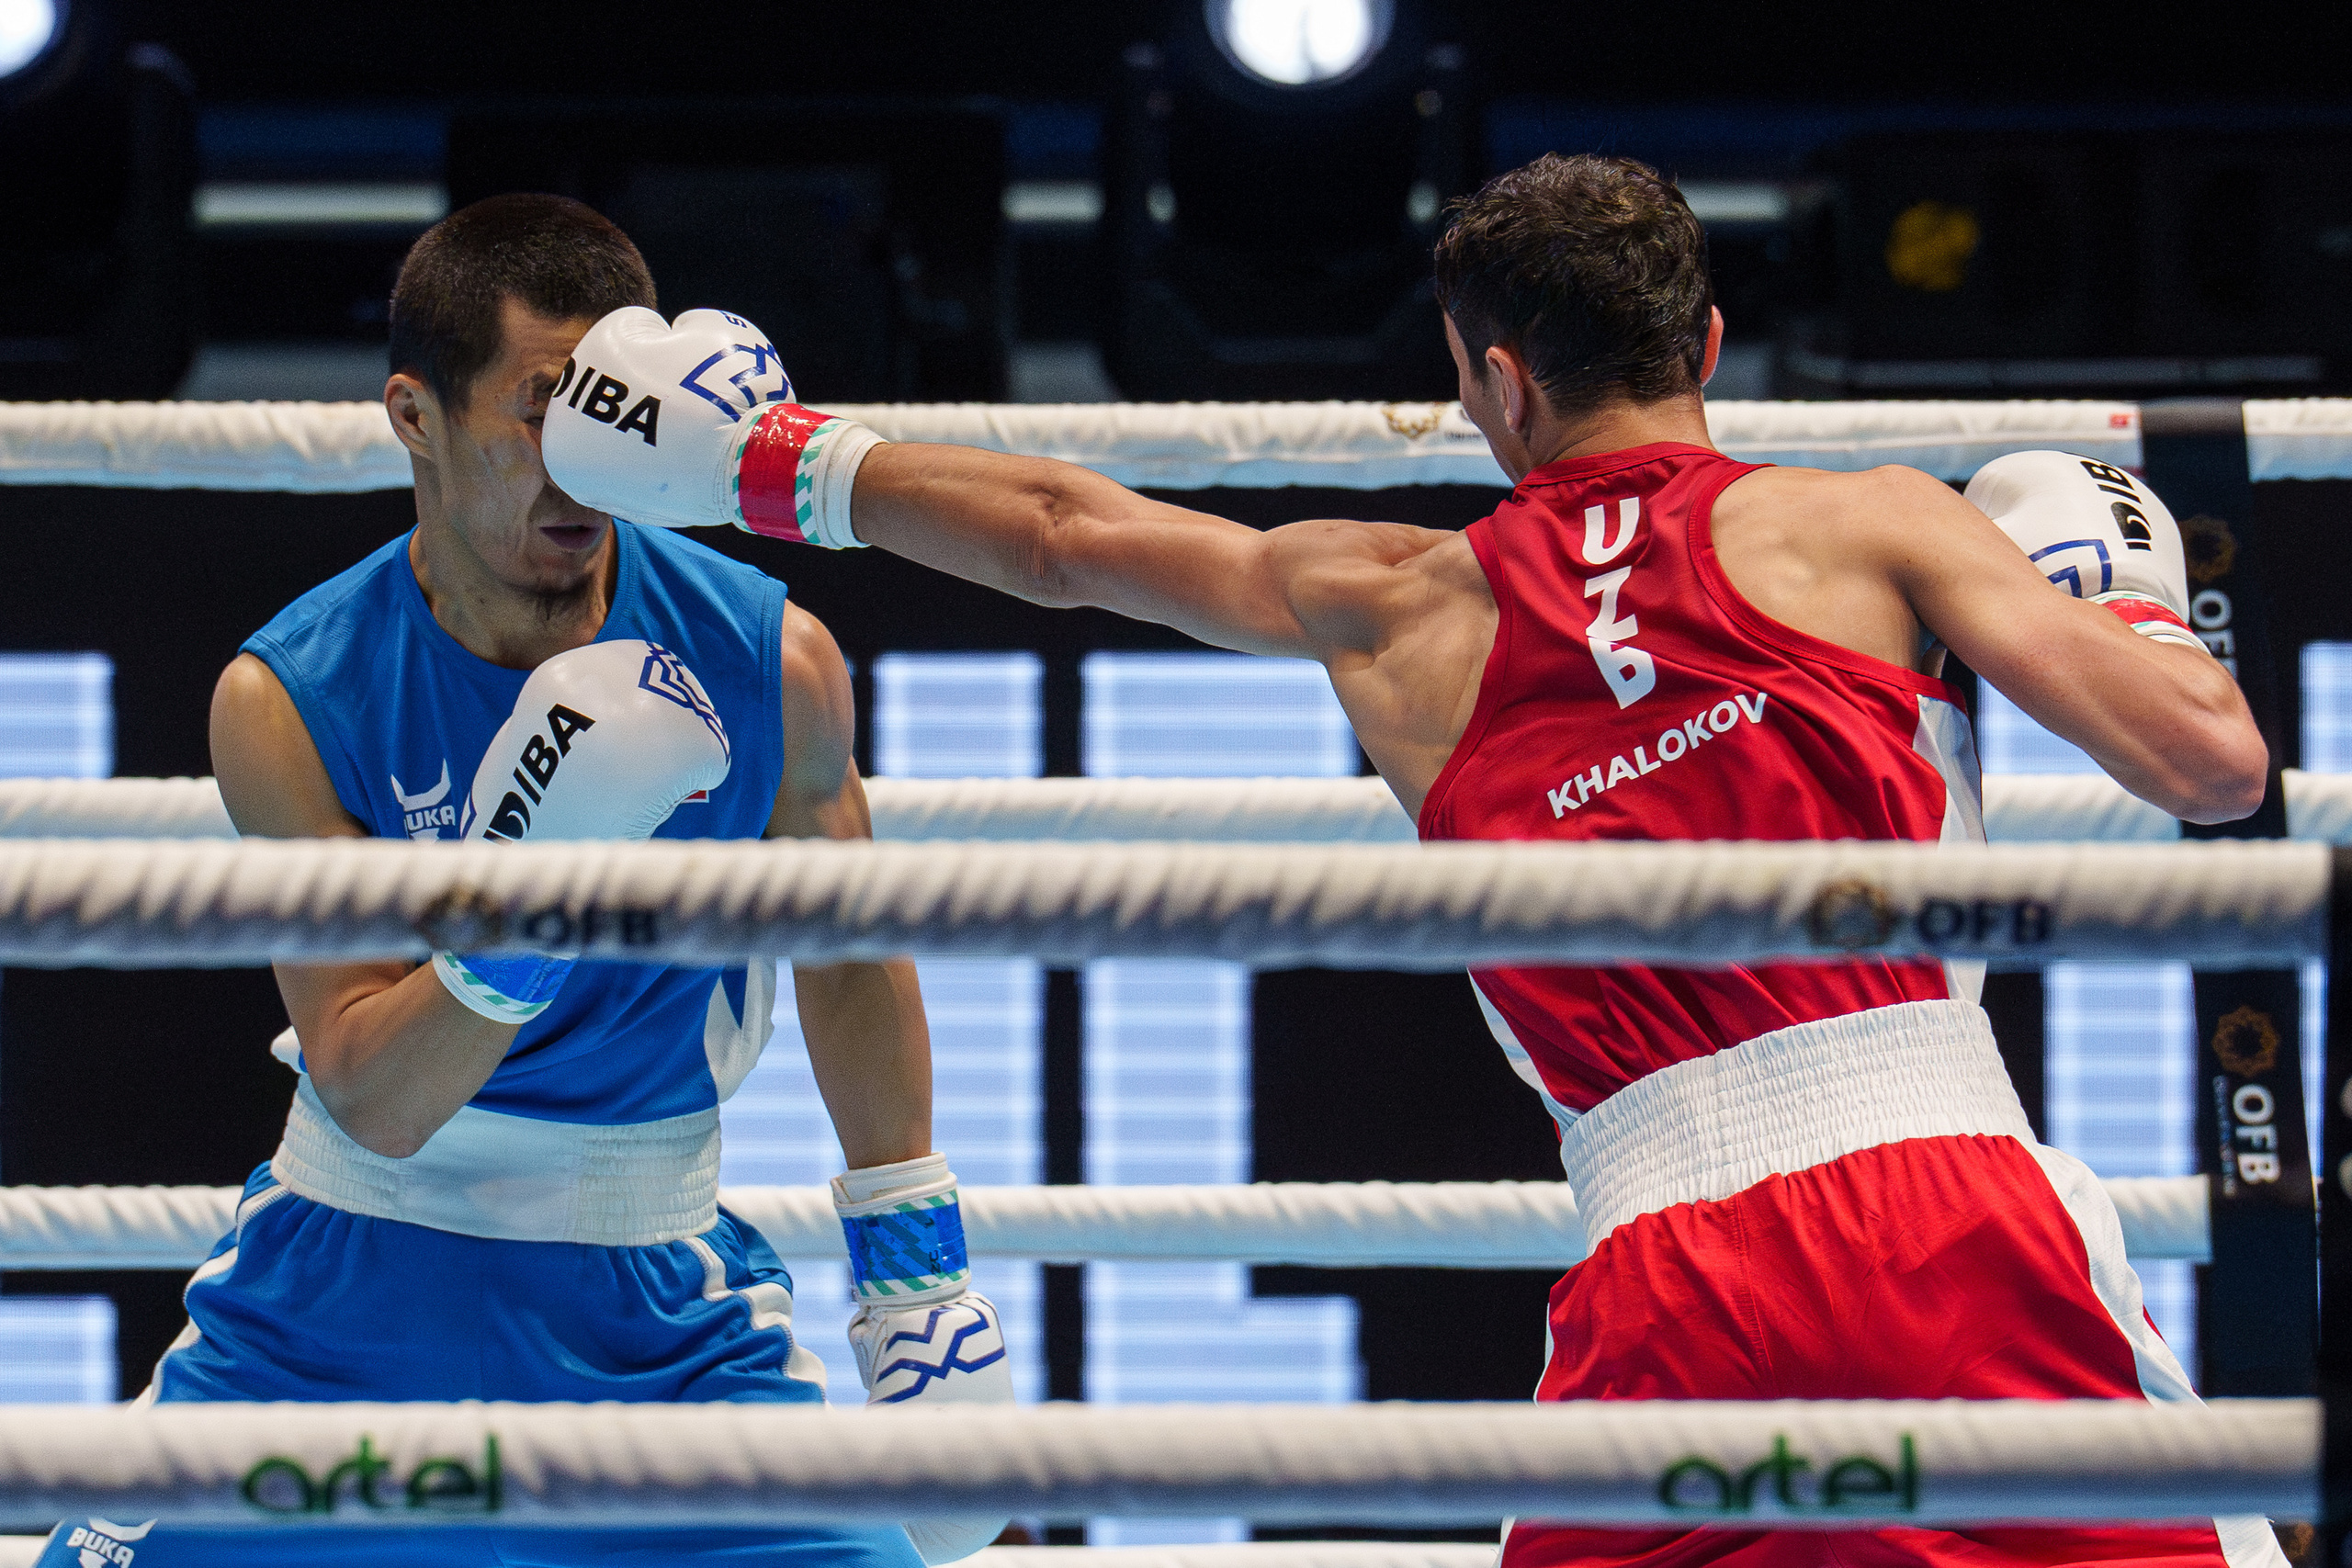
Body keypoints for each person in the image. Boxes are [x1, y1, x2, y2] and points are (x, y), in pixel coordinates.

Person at [544, 154, 2277, 1568]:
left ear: (1491, 379)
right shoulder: (1873, 518)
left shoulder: (1395, 604)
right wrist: (2117, 596)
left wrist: (759, 462)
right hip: (1947, 1216)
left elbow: (1076, 539)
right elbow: (2210, 770)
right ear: (1714, 343)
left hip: (1664, 1281)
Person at [36, 194, 1011, 1568]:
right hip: (345, 1304)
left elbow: (848, 964)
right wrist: (535, 896)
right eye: (541, 411)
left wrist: (917, 1276)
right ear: (415, 419)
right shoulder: (292, 697)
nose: (579, 463)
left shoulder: (771, 664)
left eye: (614, 416)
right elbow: (375, 1097)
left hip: (656, 1317)